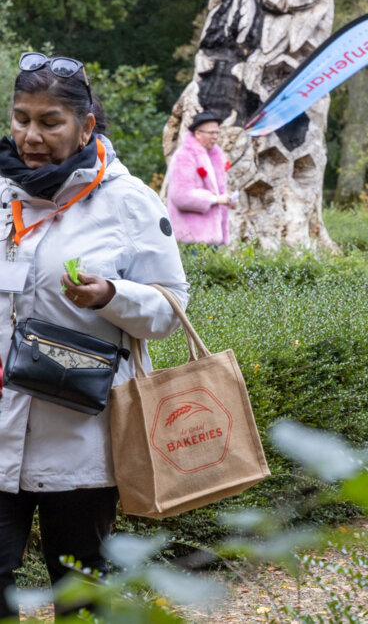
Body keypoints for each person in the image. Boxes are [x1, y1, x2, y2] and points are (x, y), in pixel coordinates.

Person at [0, 52, 188, 616]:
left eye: (49, 122)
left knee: (81, 592)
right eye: (20, 118)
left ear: (86, 126)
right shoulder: (3, 191)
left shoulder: (129, 202)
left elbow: (171, 308)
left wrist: (112, 296)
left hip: (82, 440)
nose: (31, 135)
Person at [165, 111, 236, 246]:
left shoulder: (216, 156)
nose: (215, 137)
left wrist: (227, 200)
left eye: (217, 133)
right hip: (191, 237)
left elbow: (218, 194)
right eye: (211, 133)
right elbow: (181, 196)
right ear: (198, 133)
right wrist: (215, 199)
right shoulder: (184, 156)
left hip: (212, 236)